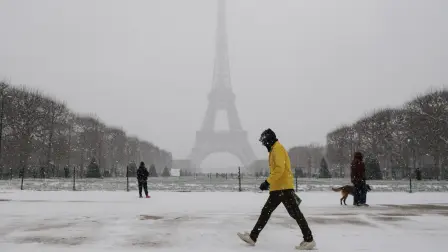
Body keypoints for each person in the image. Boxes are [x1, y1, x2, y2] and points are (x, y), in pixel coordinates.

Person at [238, 128, 316, 250]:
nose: (264, 144)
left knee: (277, 213)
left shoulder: (277, 149)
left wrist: (267, 182)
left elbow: (279, 169)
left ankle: (309, 239)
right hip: (280, 187)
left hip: (282, 188)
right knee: (289, 213)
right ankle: (308, 238)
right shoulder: (275, 149)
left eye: (264, 142)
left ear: (269, 140)